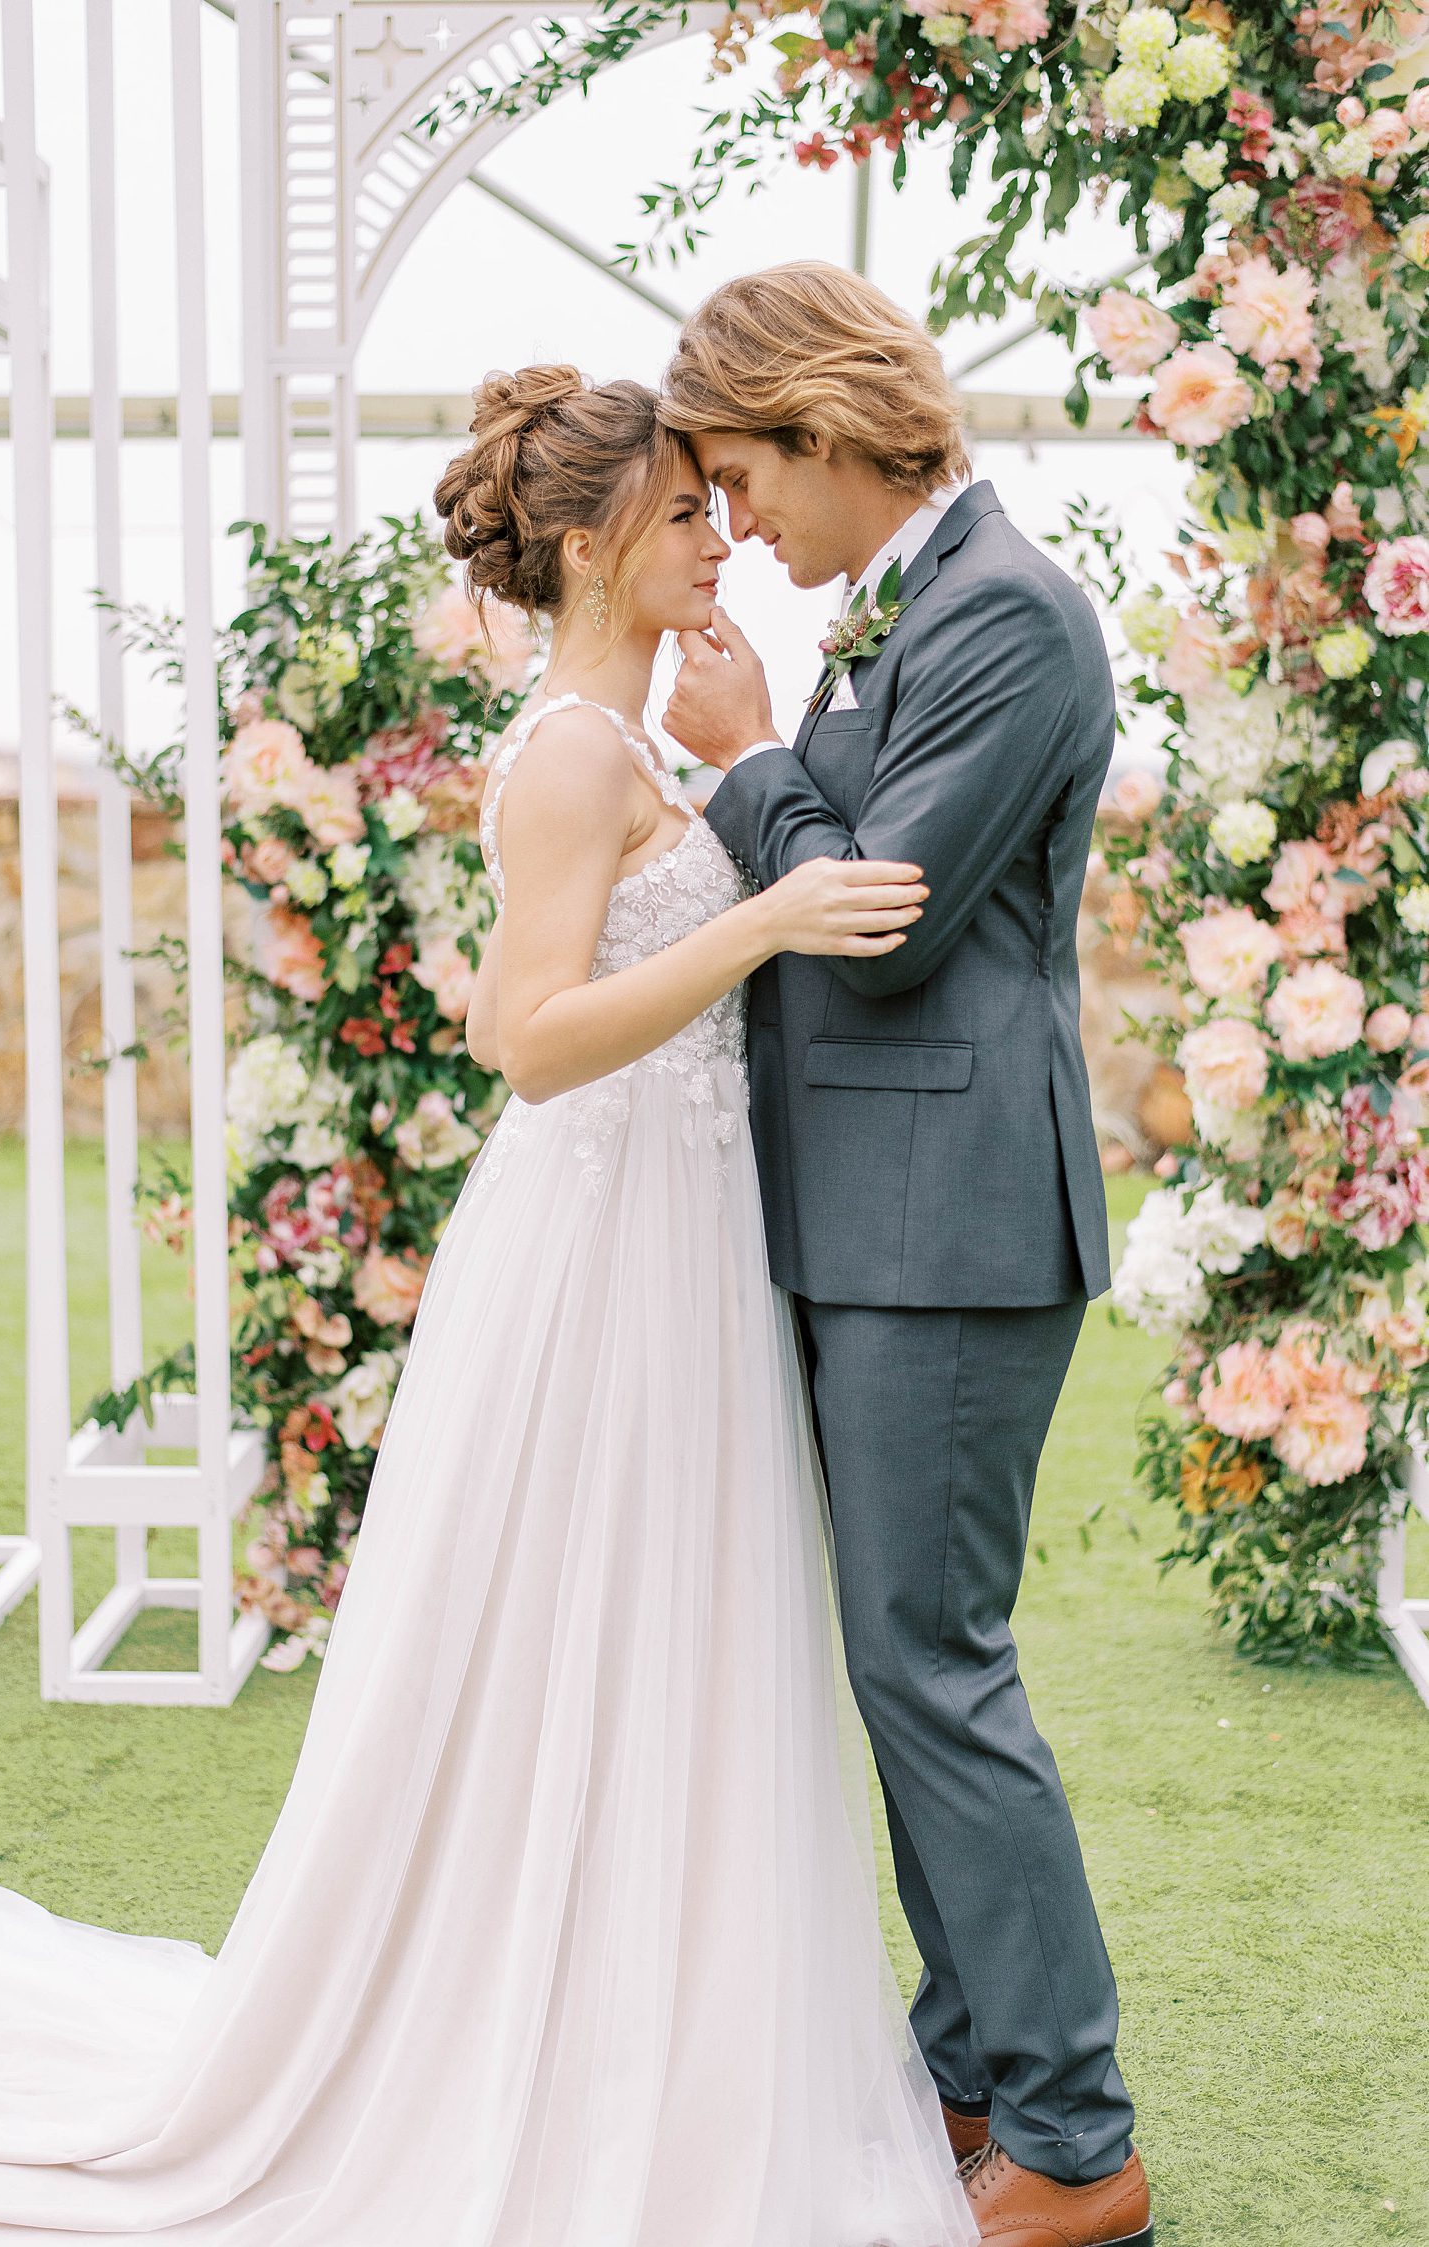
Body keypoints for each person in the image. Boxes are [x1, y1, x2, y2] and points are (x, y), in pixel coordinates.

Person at [0, 366, 976, 2247]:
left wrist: (748, 766)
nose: (720, 535)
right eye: (683, 514)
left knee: (673, 1626)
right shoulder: (572, 752)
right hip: (604, 1239)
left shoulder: (631, 736)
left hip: (680, 1228)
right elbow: (525, 1041)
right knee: (591, 1623)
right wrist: (757, 921)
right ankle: (555, 2041)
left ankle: (648, 2023)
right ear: (589, 541)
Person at [657, 261, 1153, 2247]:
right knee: (898, 1662)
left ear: (827, 418)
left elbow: (878, 911)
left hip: (947, 1229)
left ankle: (1076, 2134)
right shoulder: (933, 607)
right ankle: (969, 2066)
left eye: (743, 472)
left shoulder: (1015, 615)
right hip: (876, 1213)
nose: (741, 520)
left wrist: (753, 750)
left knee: (933, 1668)